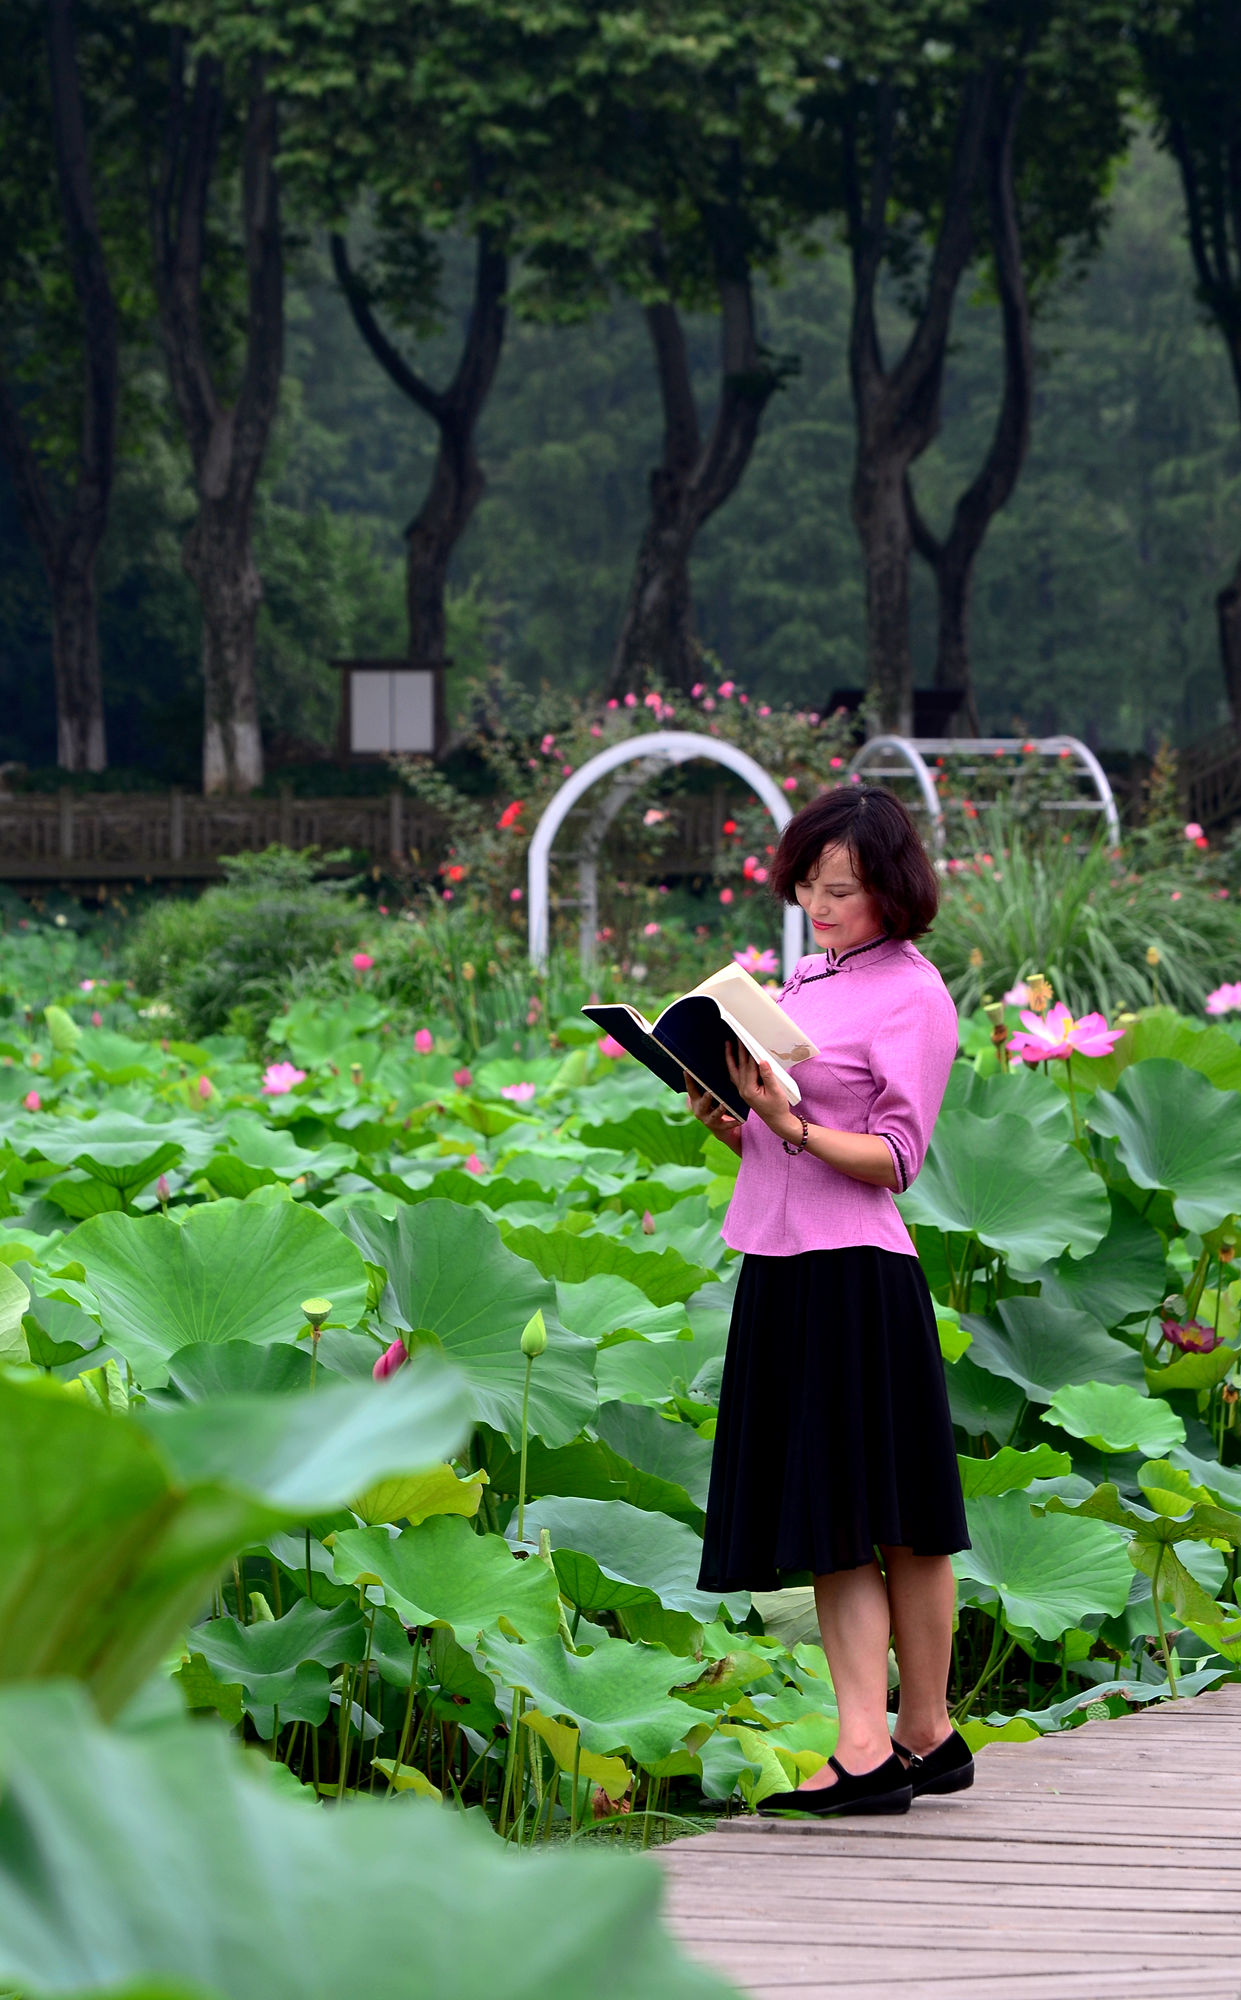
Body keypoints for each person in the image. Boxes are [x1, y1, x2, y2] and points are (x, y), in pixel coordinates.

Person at [686, 783, 970, 1818]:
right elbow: (779, 1140)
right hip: (780, 1260)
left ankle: (902, 1734)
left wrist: (793, 1126)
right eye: (806, 883)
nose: (819, 903)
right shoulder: (799, 983)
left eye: (839, 887)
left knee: (896, 1522)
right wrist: (737, 1118)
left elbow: (893, 1158)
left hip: (857, 1272)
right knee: (832, 1515)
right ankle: (895, 1738)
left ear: (892, 888)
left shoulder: (912, 993)